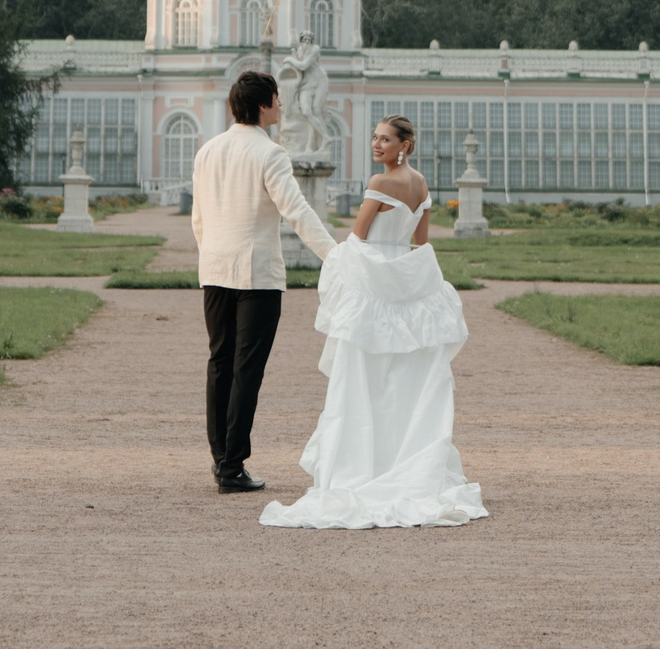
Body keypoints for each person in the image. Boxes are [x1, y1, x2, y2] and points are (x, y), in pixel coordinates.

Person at [259, 115, 486, 529]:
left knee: (362, 377)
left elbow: (358, 238)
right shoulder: (421, 185)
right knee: (404, 378)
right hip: (407, 279)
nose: (376, 145)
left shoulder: (381, 184)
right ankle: (402, 458)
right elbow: (420, 244)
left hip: (374, 281)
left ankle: (361, 463)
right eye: (374, 138)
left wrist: (341, 277)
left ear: (404, 144)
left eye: (385, 139)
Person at [193, 70, 338, 494]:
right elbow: (298, 211)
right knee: (246, 370)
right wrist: (336, 254)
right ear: (262, 106)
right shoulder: (271, 153)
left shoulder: (207, 151)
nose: (282, 106)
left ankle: (221, 459)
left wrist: (211, 255)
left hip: (215, 270)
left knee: (219, 364)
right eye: (278, 99)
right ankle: (233, 466)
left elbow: (198, 218)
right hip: (257, 275)